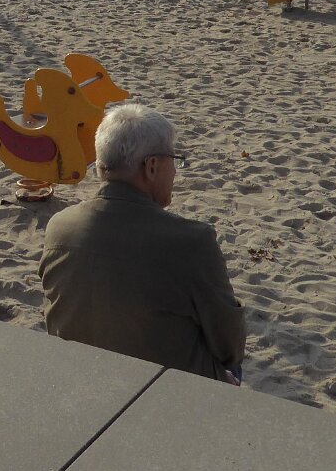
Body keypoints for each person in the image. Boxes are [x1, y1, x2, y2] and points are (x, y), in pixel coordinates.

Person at [40, 103, 244, 383]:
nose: (175, 171)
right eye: (174, 160)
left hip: (81, 377)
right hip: (159, 391)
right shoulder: (192, 242)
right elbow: (229, 348)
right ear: (151, 167)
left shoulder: (59, 227)